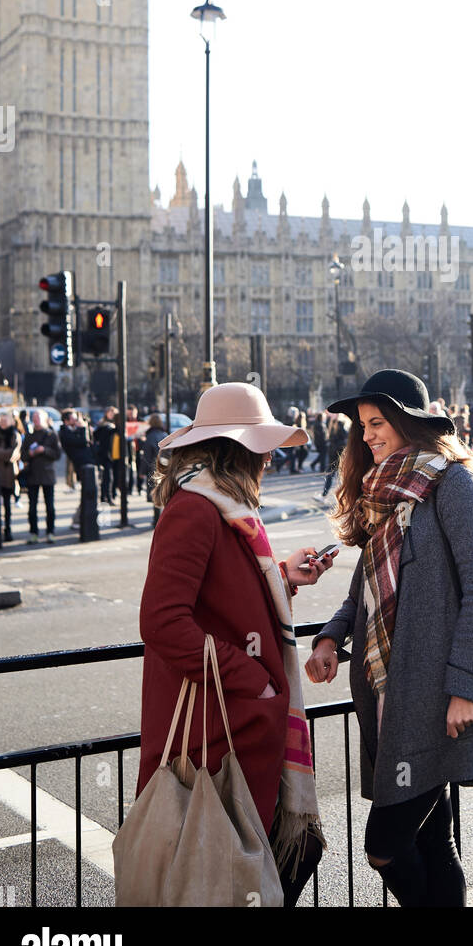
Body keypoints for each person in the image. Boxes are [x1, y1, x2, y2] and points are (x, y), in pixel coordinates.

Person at [306, 368, 473, 908]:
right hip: (385, 689)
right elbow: (363, 588)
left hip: (434, 695)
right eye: (361, 425)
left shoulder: (454, 482)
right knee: (435, 842)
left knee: (384, 848)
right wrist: (329, 639)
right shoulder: (385, 495)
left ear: (408, 423)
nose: (365, 435)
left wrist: (466, 686)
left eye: (376, 422)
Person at [137, 382, 334, 907]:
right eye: (263, 446)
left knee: (257, 864)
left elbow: (226, 597)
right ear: (238, 450)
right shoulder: (197, 510)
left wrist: (285, 577)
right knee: (236, 868)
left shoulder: (219, 506)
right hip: (217, 726)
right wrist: (254, 683)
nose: (271, 457)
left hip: (232, 720)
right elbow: (162, 621)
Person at [21, 411, 60, 543]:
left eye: (38, 418)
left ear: (44, 419)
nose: (36, 420)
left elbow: (57, 454)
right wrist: (31, 453)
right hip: (32, 475)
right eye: (34, 418)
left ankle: (50, 532)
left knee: (50, 506)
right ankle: (34, 533)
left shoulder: (51, 434)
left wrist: (44, 450)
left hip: (48, 475)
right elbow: (23, 456)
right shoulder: (29, 436)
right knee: (32, 507)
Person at [0, 412, 22, 541]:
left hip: (9, 475)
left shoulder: (14, 434)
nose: (3, 423)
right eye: (1, 420)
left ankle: (8, 530)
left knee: (7, 506)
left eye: (5, 420)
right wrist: (0, 453)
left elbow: (12, 454)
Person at [93, 407, 118, 504]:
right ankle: (106, 497)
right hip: (106, 455)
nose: (112, 415)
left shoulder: (113, 425)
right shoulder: (104, 425)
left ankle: (108, 496)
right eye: (110, 413)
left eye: (113, 413)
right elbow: (96, 437)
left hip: (114, 455)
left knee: (111, 477)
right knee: (107, 477)